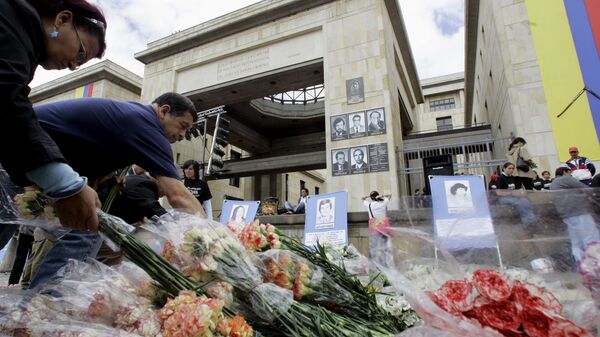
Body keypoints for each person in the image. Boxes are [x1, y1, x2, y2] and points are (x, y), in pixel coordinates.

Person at [27, 92, 206, 289]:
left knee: (87, 232)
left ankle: (41, 302)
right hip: (21, 144)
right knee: (87, 231)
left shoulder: (135, 117)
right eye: (183, 126)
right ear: (164, 111)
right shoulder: (147, 126)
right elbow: (179, 195)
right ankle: (41, 303)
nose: (182, 135)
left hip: (33, 159)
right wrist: (212, 241)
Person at [0, 0, 107, 243]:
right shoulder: (13, 20)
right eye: (80, 53)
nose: (72, 66)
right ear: (63, 19)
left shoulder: (24, 44)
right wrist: (66, 184)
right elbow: (6, 99)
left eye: (79, 64)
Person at [550, 166, 597, 263]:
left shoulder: (553, 183)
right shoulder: (566, 179)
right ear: (564, 172)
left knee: (576, 242)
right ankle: (595, 264)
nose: (571, 175)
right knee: (591, 238)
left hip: (566, 215)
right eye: (570, 173)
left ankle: (581, 264)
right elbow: (587, 189)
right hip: (579, 212)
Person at [362, 191, 393, 267]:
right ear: (377, 196)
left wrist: (367, 197)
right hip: (384, 228)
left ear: (371, 198)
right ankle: (384, 264)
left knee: (373, 247)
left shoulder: (369, 205)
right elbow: (390, 195)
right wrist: (382, 195)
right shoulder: (383, 202)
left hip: (374, 228)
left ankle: (372, 265)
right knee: (384, 248)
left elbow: (362, 199)